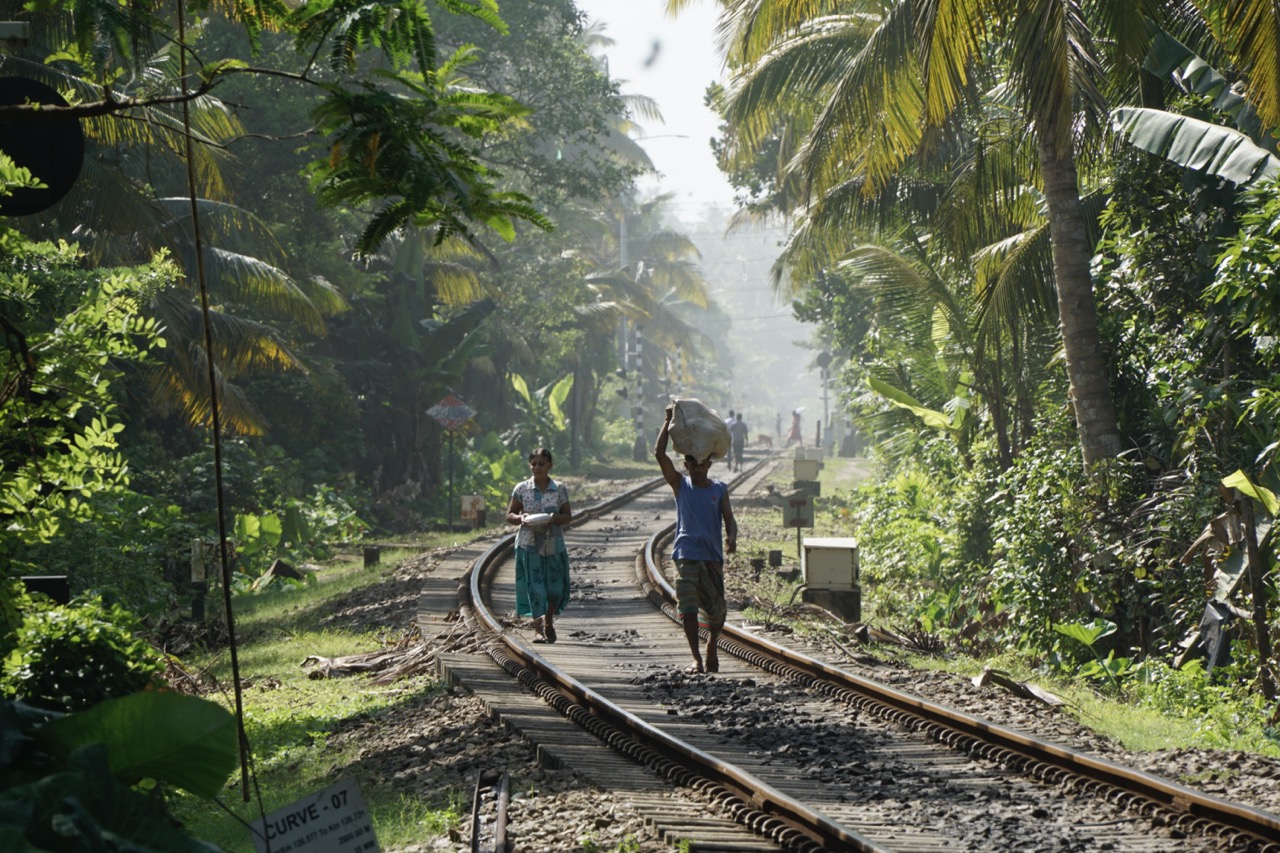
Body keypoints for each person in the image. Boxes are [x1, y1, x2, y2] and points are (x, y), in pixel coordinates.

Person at [654, 406, 738, 674]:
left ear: (709, 464)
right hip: (686, 555)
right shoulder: (680, 485)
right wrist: (667, 422)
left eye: (703, 464)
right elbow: (659, 454)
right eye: (693, 464)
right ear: (686, 465)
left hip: (712, 556)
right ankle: (696, 658)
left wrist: (732, 537)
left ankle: (712, 642)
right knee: (687, 607)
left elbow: (729, 518)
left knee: (717, 612)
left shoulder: (719, 489)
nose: (698, 469)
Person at [506, 448, 573, 644]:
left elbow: (568, 516)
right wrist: (522, 518)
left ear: (550, 466)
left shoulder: (559, 489)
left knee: (555, 589)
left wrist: (555, 518)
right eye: (533, 464)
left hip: (554, 544)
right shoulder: (522, 489)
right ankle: (537, 629)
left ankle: (549, 619)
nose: (537, 468)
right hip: (529, 544)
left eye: (541, 464)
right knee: (535, 589)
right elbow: (510, 515)